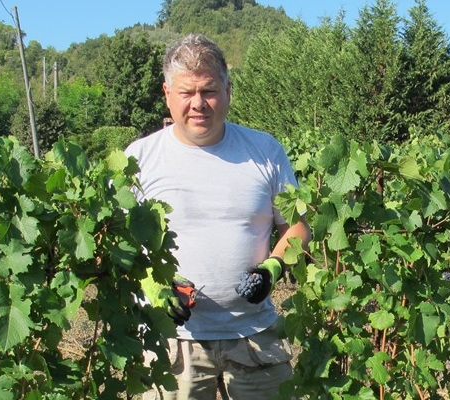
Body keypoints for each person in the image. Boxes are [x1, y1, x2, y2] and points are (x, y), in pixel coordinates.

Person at [126, 33, 312, 400]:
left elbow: (298, 226)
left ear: (228, 89)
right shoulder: (140, 159)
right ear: (167, 93)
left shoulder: (264, 151)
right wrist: (153, 285)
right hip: (172, 343)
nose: (199, 104)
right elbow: (118, 243)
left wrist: (270, 270)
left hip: (254, 338)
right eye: (186, 93)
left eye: (209, 90)